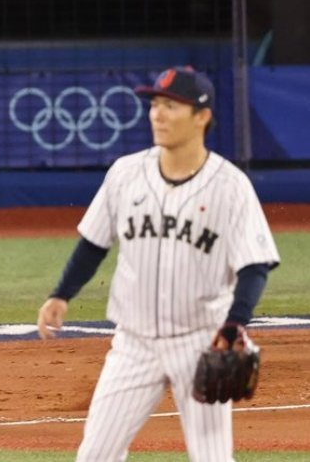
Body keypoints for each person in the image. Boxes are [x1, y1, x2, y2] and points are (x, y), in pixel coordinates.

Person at [36, 66, 279, 461]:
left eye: (171, 105)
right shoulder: (126, 174)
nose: (157, 114)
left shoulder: (230, 186)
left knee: (213, 458)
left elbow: (255, 265)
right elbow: (94, 243)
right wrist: (61, 294)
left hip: (200, 342)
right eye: (155, 104)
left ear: (202, 117)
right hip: (134, 344)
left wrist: (235, 324)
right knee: (94, 455)